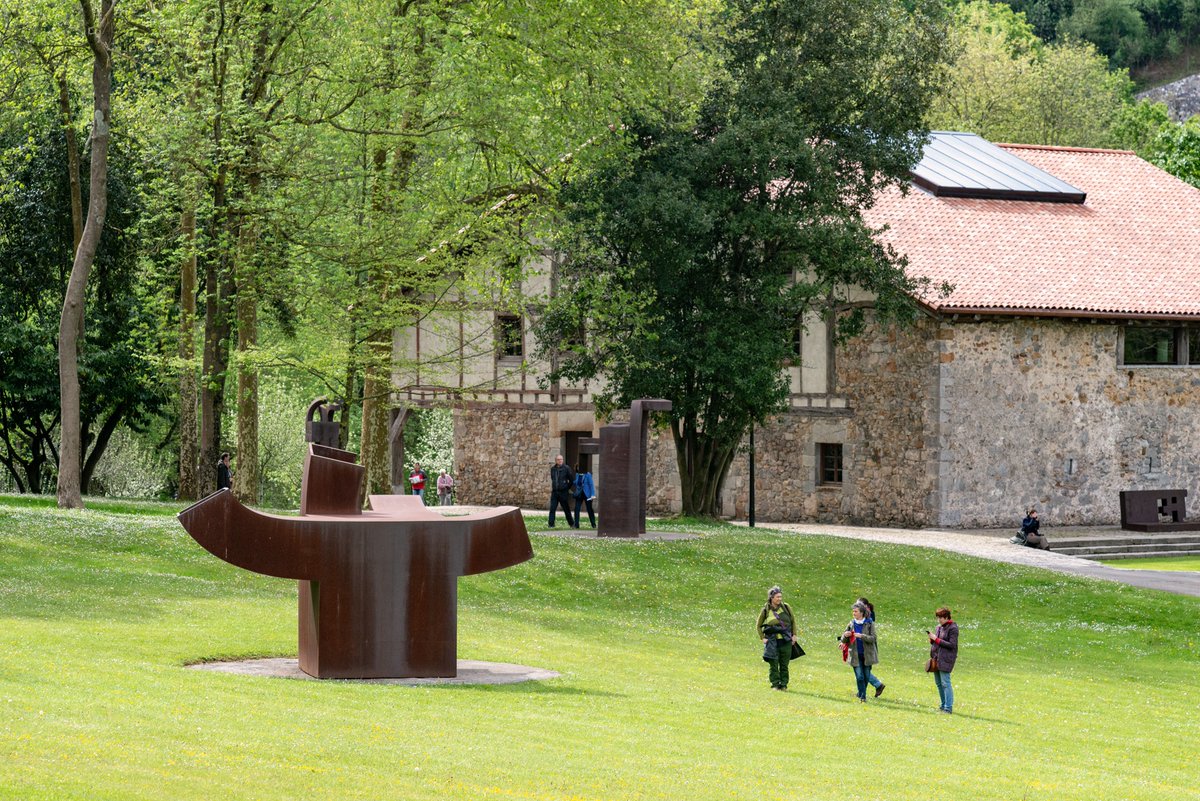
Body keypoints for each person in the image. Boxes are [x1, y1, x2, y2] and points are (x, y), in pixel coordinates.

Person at [756, 586, 799, 691]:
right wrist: (762, 638)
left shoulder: (786, 607)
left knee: (784, 664)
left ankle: (784, 685)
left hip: (786, 640)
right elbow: (758, 625)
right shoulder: (766, 610)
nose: (779, 599)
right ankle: (775, 685)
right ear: (771, 597)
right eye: (777, 597)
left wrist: (794, 635)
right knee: (773, 664)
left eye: (780, 596)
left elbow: (793, 621)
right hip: (772, 641)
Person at [841, 601, 885, 701]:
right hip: (855, 655)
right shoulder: (851, 623)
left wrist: (861, 636)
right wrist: (845, 635)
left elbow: (873, 638)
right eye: (853, 611)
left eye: (856, 611)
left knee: (865, 676)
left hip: (867, 655)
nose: (854, 613)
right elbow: (843, 639)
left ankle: (861, 695)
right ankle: (862, 697)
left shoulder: (870, 623)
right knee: (859, 677)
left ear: (861, 613)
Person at [928, 606, 959, 714]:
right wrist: (932, 640)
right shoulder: (939, 627)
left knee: (946, 683)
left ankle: (948, 707)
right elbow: (937, 642)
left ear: (946, 617)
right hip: (936, 658)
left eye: (941, 617)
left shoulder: (953, 628)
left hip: (946, 659)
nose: (939, 620)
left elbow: (952, 645)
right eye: (938, 618)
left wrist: (936, 639)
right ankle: (943, 705)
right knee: (939, 683)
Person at [548, 454, 576, 528]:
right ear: (556, 461)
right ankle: (551, 524)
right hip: (555, 492)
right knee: (552, 509)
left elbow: (571, 480)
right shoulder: (553, 469)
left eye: (561, 459)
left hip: (563, 492)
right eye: (559, 459)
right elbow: (553, 478)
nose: (560, 461)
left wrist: (566, 488)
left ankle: (571, 523)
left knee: (566, 509)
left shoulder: (566, 468)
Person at [573, 464, 596, 528]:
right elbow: (577, 482)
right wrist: (571, 482)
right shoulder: (577, 474)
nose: (579, 468)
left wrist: (592, 495)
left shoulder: (588, 474)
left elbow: (591, 485)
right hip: (579, 494)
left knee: (589, 509)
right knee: (576, 509)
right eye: (578, 467)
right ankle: (576, 525)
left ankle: (593, 524)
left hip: (587, 494)